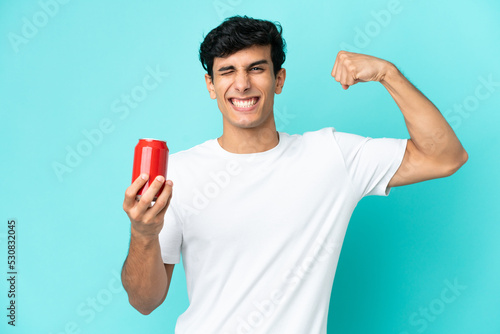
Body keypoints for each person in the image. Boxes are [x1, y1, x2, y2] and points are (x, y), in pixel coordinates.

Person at [121, 15, 467, 334]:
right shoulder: (178, 172)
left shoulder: (332, 157)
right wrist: (143, 233)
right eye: (227, 71)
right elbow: (144, 302)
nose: (242, 84)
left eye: (256, 68)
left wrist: (387, 74)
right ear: (211, 85)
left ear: (279, 79)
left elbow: (445, 157)